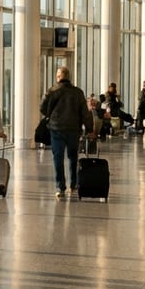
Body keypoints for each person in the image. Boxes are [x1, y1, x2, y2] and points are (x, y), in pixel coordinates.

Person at [39, 66, 94, 198]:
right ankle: (73, 184)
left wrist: (51, 115)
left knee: (57, 157)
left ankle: (60, 187)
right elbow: (85, 114)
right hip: (73, 129)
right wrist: (90, 129)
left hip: (56, 129)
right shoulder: (78, 92)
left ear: (58, 77)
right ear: (68, 77)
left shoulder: (51, 91)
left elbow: (43, 108)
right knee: (72, 156)